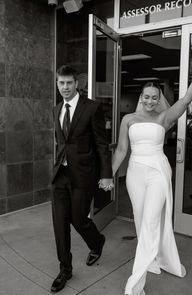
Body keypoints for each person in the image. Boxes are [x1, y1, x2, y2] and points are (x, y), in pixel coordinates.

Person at [112, 56, 192, 295]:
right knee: (140, 218)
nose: (151, 101)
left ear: (159, 99)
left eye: (155, 97)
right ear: (141, 98)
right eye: (147, 97)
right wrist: (109, 175)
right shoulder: (128, 119)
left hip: (157, 172)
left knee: (151, 221)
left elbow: (186, 100)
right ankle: (153, 260)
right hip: (135, 173)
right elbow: (122, 149)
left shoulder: (164, 118)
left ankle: (135, 283)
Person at [51, 65, 113, 293]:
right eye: (61, 83)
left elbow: (101, 144)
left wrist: (106, 174)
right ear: (57, 83)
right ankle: (64, 269)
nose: (65, 87)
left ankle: (97, 242)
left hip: (83, 176)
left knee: (78, 220)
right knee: (59, 225)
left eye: (69, 83)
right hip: (60, 176)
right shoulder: (56, 108)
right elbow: (62, 142)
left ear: (77, 83)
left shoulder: (92, 108)